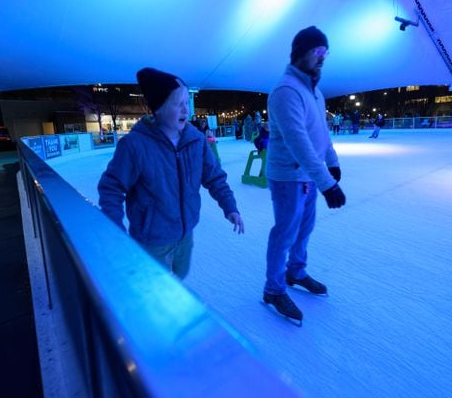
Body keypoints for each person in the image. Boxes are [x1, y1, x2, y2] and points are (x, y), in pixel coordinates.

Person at [98, 67, 244, 279]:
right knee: (155, 295)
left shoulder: (196, 141)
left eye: (187, 103)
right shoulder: (135, 146)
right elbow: (112, 187)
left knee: (179, 280)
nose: (186, 110)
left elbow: (214, 177)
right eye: (178, 104)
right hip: (152, 241)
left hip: (186, 235)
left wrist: (230, 206)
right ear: (159, 108)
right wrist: (115, 228)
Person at [263, 26, 346, 324]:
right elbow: (299, 142)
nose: (323, 57)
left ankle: (295, 272)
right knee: (285, 231)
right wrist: (328, 184)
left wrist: (331, 161)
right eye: (317, 51)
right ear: (300, 53)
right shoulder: (286, 91)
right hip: (287, 177)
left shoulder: (315, 91)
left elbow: (321, 133)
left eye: (326, 52)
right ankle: (273, 289)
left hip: (307, 176)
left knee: (305, 227)